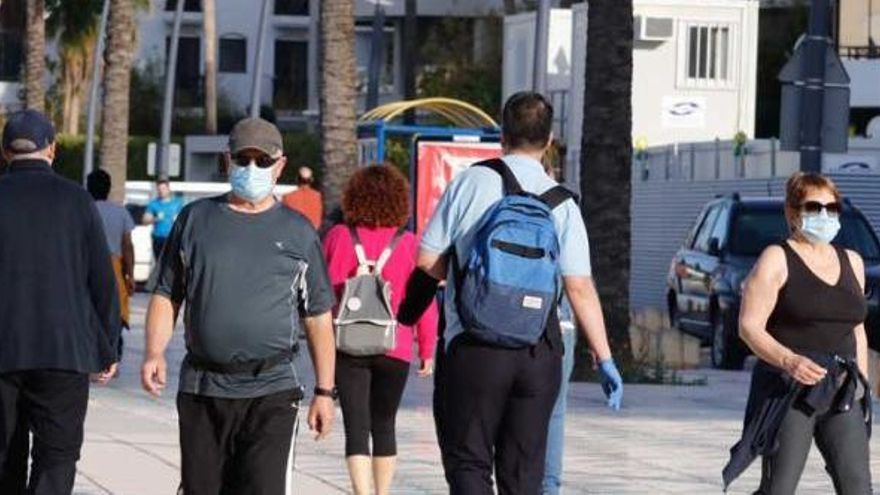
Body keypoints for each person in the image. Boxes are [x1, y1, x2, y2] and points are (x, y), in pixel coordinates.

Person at [412, 92, 623, 494]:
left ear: (502, 134)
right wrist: (605, 356)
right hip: (537, 352)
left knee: (469, 462)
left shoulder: (470, 182)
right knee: (524, 475)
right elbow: (579, 285)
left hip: (473, 347)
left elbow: (427, 262)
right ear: (549, 140)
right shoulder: (562, 201)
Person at [140, 117, 337, 495]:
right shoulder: (195, 220)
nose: (252, 169)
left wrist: (325, 393)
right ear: (226, 161)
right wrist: (153, 352)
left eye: (262, 161)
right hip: (203, 389)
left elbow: (318, 318)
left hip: (272, 391)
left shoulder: (298, 231)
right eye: (243, 159)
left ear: (280, 166)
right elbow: (167, 294)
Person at [724, 172, 872, 493]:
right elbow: (749, 327)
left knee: (858, 487)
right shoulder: (776, 259)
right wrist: (789, 360)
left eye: (832, 209)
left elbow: (857, 329)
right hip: (790, 389)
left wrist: (862, 385)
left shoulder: (853, 262)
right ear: (792, 213)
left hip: (841, 390)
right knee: (779, 487)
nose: (824, 216)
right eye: (813, 207)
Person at [0, 109, 120, 494]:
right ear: (51, 149)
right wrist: (108, 345)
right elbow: (101, 280)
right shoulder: (77, 201)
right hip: (64, 352)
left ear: (5, 152)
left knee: (5, 455)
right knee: (57, 455)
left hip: (3, 350)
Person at [322, 165, 438, 495]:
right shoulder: (410, 243)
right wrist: (426, 350)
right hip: (396, 346)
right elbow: (425, 301)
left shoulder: (339, 237)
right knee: (384, 425)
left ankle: (361, 493)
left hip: (347, 344)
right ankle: (382, 492)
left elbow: (324, 294)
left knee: (356, 427)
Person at [87, 169, 135, 351]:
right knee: (116, 310)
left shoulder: (84, 209)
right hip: (114, 267)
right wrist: (129, 275)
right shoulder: (120, 212)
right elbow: (127, 246)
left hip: (88, 265)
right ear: (108, 188)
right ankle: (113, 350)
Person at [143, 177, 183, 260]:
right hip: (158, 238)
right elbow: (145, 220)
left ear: (168, 189)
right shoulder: (153, 204)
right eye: (159, 189)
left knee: (172, 264)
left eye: (163, 188)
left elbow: (185, 219)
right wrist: (155, 218)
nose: (161, 191)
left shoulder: (177, 203)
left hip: (173, 238)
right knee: (160, 263)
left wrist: (178, 218)